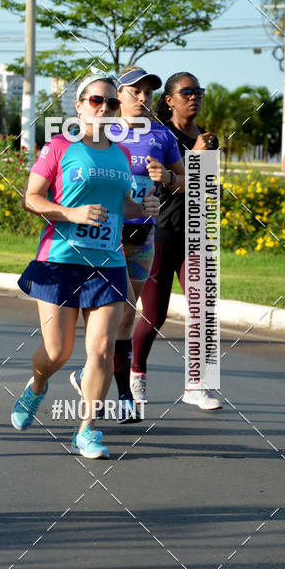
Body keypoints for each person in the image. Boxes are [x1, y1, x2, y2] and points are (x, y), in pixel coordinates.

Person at [11, 74, 160, 459]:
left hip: (108, 262)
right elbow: (31, 199)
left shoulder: (122, 154)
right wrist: (70, 212)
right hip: (60, 261)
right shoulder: (59, 147)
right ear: (78, 106)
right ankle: (38, 385)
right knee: (58, 352)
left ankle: (87, 430)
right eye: (96, 101)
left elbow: (120, 204)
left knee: (101, 349)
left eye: (111, 103)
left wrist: (141, 208)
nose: (105, 109)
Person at [131, 72, 223, 410]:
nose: (194, 97)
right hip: (161, 233)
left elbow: (208, 189)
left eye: (199, 91)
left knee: (203, 310)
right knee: (154, 314)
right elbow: (168, 183)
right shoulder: (158, 135)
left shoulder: (207, 138)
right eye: (186, 92)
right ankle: (135, 373)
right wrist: (193, 160)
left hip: (195, 233)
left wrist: (207, 171)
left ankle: (197, 386)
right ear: (169, 100)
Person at [109, 68, 184, 410]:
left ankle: (120, 386)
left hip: (143, 235)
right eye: (135, 92)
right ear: (119, 95)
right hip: (105, 235)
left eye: (148, 93)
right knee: (112, 310)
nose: (142, 98)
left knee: (127, 313)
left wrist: (167, 175)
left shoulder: (162, 136)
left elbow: (187, 181)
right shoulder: (101, 132)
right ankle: (114, 383)